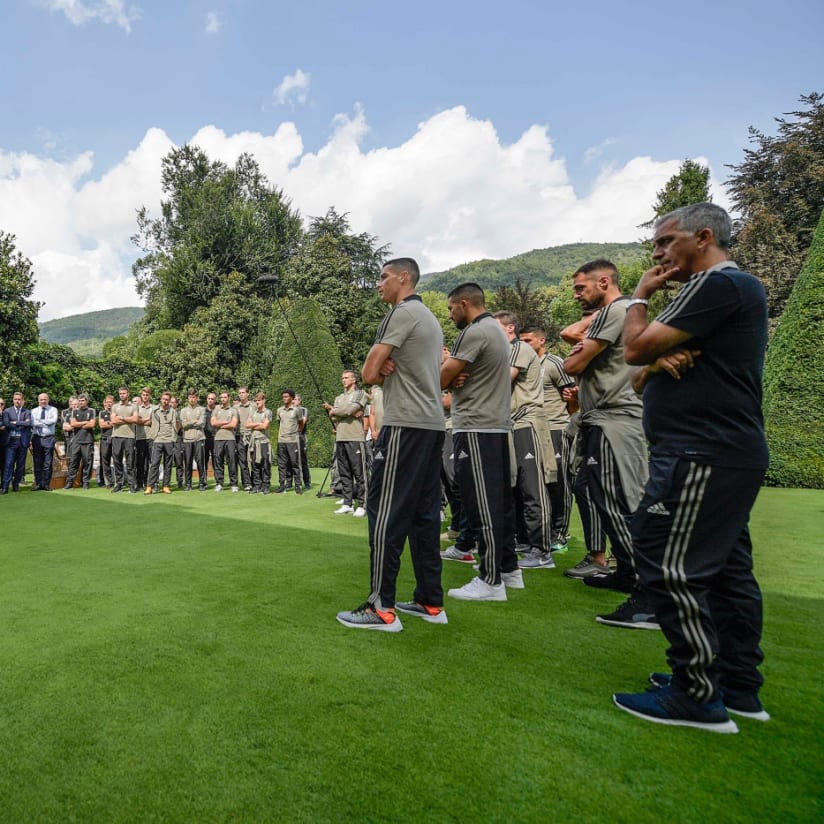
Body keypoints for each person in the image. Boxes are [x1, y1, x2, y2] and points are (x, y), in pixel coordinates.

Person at [611, 203, 770, 732]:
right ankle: (736, 684)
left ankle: (697, 693)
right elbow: (640, 375)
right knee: (725, 570)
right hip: (720, 450)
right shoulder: (721, 292)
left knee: (663, 556)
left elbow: (633, 350)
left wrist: (639, 297)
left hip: (702, 449)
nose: (657, 253)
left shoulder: (718, 284)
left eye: (665, 241)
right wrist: (654, 363)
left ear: (703, 237)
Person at [337, 258, 447, 631]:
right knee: (424, 516)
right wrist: (384, 365)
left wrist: (380, 367)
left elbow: (369, 372)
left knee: (384, 510)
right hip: (431, 426)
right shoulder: (430, 319)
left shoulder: (401, 313)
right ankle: (430, 602)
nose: (378, 283)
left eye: (383, 277)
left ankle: (381, 607)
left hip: (405, 425)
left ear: (404, 278)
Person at [562, 260, 652, 627]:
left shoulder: (615, 311)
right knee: (594, 491)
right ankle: (627, 572)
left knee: (618, 501)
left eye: (580, 288)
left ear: (603, 282)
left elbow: (572, 365)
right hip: (602, 418)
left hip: (615, 418)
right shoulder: (617, 313)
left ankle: (649, 589)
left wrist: (580, 355)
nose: (576, 295)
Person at [440, 283, 522, 601]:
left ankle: (490, 580)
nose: (450, 315)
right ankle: (509, 568)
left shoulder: (474, 332)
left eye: (451, 309)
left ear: (464, 304)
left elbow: (441, 377)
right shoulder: (496, 331)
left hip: (476, 426)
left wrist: (449, 376)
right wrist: (453, 375)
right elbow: (453, 375)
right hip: (494, 426)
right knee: (500, 502)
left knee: (481, 503)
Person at [493, 311, 557, 570]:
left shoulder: (519, 347)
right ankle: (524, 541)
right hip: (512, 424)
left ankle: (542, 550)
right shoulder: (505, 351)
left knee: (533, 488)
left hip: (527, 422)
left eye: (495, 327)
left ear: (510, 328)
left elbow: (502, 379)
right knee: (515, 489)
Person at [520, 325, 577, 552]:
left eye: (528, 340)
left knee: (559, 482)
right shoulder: (523, 364)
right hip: (533, 428)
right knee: (536, 483)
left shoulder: (554, 364)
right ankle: (536, 532)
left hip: (555, 428)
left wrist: (566, 422)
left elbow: (572, 394)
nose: (524, 345)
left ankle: (560, 533)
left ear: (541, 340)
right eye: (521, 341)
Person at [323, 371, 367, 517]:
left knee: (360, 473)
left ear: (354, 380)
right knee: (344, 473)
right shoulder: (339, 398)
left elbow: (349, 410)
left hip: (355, 438)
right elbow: (336, 417)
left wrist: (336, 410)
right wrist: (340, 412)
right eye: (342, 378)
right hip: (340, 438)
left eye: (346, 378)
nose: (343, 380)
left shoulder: (360, 394)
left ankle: (363, 504)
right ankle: (348, 504)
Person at [145, 391, 180, 494]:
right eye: (163, 399)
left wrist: (174, 436)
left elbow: (177, 424)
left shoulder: (173, 411)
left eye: (167, 400)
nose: (165, 401)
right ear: (161, 399)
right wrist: (153, 435)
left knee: (168, 464)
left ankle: (166, 486)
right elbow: (151, 423)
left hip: (169, 440)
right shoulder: (155, 411)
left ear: (169, 401)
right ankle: (150, 486)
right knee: (154, 464)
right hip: (157, 440)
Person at [64, 394, 96, 489]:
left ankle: (85, 482)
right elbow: (73, 424)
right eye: (80, 400)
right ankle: (70, 482)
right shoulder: (75, 411)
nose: (81, 402)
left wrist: (79, 424)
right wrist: (85, 422)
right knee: (73, 461)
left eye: (83, 400)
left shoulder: (91, 411)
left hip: (88, 440)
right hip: (76, 440)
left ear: (86, 401)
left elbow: (92, 424)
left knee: (87, 462)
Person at [1, 392, 31, 493]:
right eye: (15, 399)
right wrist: (22, 424)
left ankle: (16, 485)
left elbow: (29, 423)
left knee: (20, 465)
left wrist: (15, 422)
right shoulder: (7, 411)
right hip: (11, 442)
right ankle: (5, 487)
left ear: (22, 400)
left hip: (23, 442)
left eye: (19, 399)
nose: (17, 401)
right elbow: (6, 424)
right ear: (13, 400)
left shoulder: (27, 412)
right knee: (8, 464)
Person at [110, 386, 138, 493]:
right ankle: (119, 484)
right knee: (117, 461)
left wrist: (121, 418)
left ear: (128, 394)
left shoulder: (134, 406)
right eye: (120, 393)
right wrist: (128, 420)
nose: (122, 395)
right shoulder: (115, 406)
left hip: (129, 437)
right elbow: (113, 421)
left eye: (124, 393)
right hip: (116, 436)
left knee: (130, 462)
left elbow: (135, 419)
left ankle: (131, 484)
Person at [275, 390, 304, 494]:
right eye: (283, 397)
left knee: (295, 464)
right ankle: (282, 485)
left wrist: (296, 432)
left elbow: (301, 423)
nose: (284, 398)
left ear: (291, 398)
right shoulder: (279, 410)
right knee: (281, 465)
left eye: (286, 397)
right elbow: (279, 423)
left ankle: (298, 486)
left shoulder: (296, 410)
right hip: (281, 440)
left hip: (292, 441)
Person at [211, 391, 239, 492]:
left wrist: (220, 425)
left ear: (229, 398)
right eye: (221, 397)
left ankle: (234, 484)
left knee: (231, 461)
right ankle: (219, 483)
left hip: (230, 438)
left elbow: (233, 424)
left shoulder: (233, 410)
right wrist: (226, 422)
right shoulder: (216, 409)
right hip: (218, 438)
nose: (222, 399)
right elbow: (213, 423)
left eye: (224, 397)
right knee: (218, 461)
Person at [180, 389, 207, 491]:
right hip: (187, 439)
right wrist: (193, 421)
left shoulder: (202, 409)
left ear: (197, 398)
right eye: (190, 397)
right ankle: (188, 484)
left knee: (200, 462)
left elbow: (202, 424)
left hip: (199, 438)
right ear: (188, 398)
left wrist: (189, 423)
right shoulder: (183, 410)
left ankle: (202, 483)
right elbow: (183, 425)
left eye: (193, 397)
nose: (192, 399)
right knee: (187, 462)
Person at [31, 392, 59, 491]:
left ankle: (46, 484)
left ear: (48, 400)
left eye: (45, 399)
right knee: (37, 462)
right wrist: (46, 422)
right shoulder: (33, 411)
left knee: (48, 463)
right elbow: (33, 423)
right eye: (41, 399)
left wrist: (40, 421)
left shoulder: (53, 409)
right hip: (37, 438)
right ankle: (38, 484)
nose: (43, 401)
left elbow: (53, 421)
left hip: (49, 438)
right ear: (38, 400)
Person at [245, 392, 273, 494]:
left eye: (259, 400)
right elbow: (247, 424)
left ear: (264, 400)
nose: (257, 402)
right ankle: (257, 485)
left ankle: (266, 485)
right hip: (254, 442)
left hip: (264, 441)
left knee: (265, 464)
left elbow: (264, 426)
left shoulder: (268, 412)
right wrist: (258, 423)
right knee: (255, 464)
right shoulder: (253, 412)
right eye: (256, 400)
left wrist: (253, 425)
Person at [133, 387, 155, 491]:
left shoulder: (154, 408)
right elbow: (136, 421)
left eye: (147, 395)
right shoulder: (137, 408)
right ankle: (139, 484)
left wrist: (142, 421)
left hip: (151, 438)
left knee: (151, 462)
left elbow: (154, 422)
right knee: (140, 462)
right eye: (143, 395)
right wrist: (146, 420)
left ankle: (149, 483)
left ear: (149, 396)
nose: (145, 397)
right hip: (140, 437)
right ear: (141, 396)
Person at [234, 387, 254, 492]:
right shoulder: (235, 407)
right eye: (240, 393)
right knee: (242, 461)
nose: (241, 394)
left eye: (243, 393)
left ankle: (256, 482)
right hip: (240, 436)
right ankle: (247, 483)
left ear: (247, 394)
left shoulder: (254, 405)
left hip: (252, 435)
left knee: (254, 460)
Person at [294, 393, 312, 489]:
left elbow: (303, 423)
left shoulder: (304, 410)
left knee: (303, 460)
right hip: (291, 438)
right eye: (293, 399)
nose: (294, 401)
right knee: (292, 461)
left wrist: (292, 425)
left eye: (296, 399)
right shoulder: (290, 410)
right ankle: (291, 482)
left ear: (300, 401)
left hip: (301, 437)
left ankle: (307, 482)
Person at [97, 394, 115, 488]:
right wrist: (112, 423)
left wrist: (107, 422)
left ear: (113, 403)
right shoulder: (102, 413)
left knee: (117, 460)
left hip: (115, 438)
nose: (108, 404)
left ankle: (118, 481)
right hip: (105, 439)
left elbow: (118, 423)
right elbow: (102, 425)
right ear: (104, 403)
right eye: (107, 402)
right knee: (105, 461)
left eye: (110, 402)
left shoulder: (116, 412)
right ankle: (108, 482)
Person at [204, 392, 217, 480]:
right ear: (206, 399)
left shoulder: (218, 411)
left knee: (216, 459)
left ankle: (218, 481)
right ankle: (203, 481)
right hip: (204, 438)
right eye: (209, 398)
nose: (210, 400)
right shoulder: (202, 411)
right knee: (204, 460)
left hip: (215, 438)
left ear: (215, 400)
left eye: (212, 399)